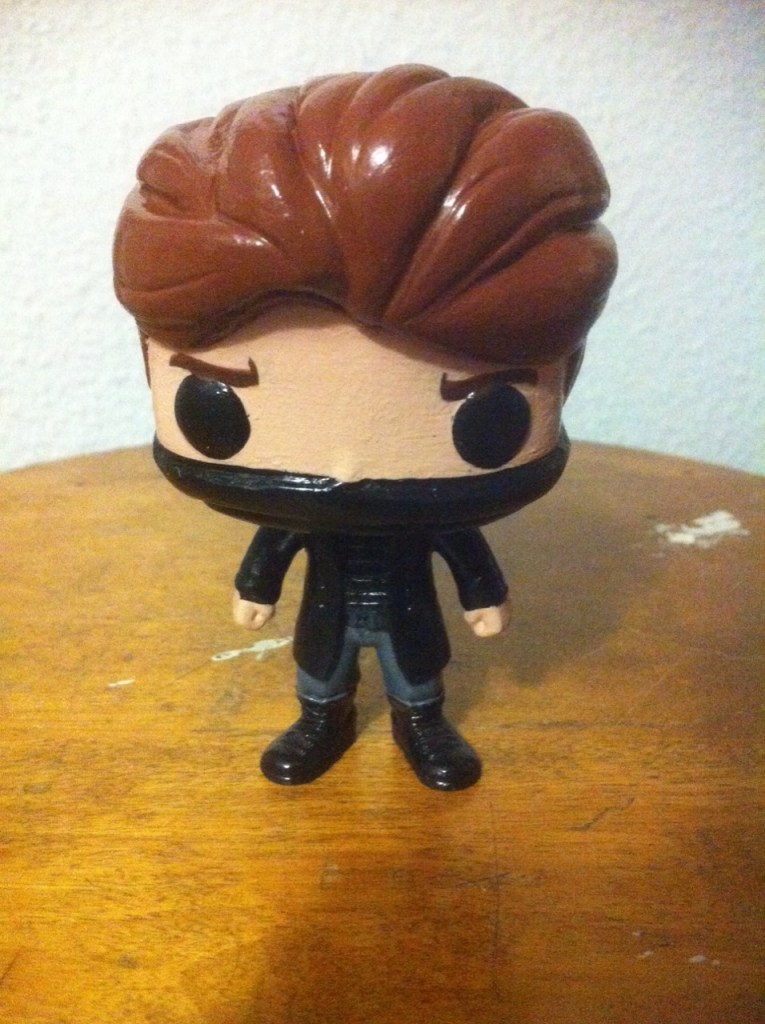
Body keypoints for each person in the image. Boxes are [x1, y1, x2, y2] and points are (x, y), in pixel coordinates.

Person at [114, 65, 617, 790]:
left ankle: (422, 725)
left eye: (487, 416)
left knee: (419, 677)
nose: (348, 468)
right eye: (214, 406)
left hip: (410, 613)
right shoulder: (297, 514)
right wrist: (256, 585)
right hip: (325, 613)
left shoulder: (430, 515)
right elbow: (276, 541)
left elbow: (462, 545)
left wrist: (482, 592)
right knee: (320, 674)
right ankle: (322, 720)